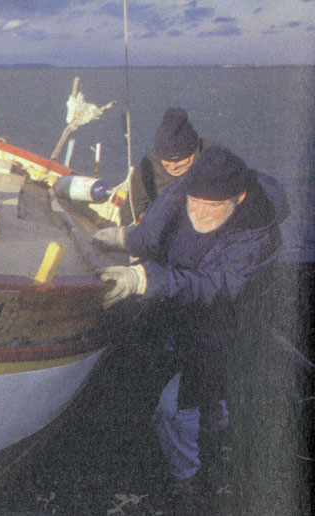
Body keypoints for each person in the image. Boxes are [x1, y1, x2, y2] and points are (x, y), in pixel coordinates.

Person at [94, 146, 289, 494]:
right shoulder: (188, 187)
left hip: (222, 324)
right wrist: (124, 237)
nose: (199, 212)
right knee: (199, 394)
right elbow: (153, 229)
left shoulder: (259, 235)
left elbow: (217, 285)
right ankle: (214, 422)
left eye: (212, 205)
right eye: (194, 200)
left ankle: (186, 475)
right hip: (175, 303)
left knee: (175, 406)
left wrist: (144, 279)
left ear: (239, 197)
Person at [123, 107, 217, 225]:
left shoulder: (216, 160)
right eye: (166, 161)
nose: (173, 166)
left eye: (179, 161)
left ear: (194, 151)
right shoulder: (149, 166)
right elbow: (131, 207)